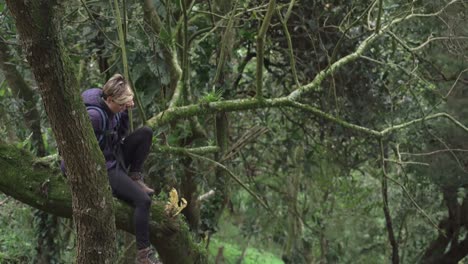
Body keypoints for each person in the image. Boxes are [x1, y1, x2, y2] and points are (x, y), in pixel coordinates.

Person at [61, 74, 159, 264]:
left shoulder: (116, 106)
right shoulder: (94, 117)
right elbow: (76, 153)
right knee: (143, 201)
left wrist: (124, 112)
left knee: (145, 133)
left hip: (114, 153)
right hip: (103, 167)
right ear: (110, 99)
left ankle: (135, 176)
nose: (125, 107)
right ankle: (144, 256)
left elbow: (121, 135)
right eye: (122, 105)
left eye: (126, 104)